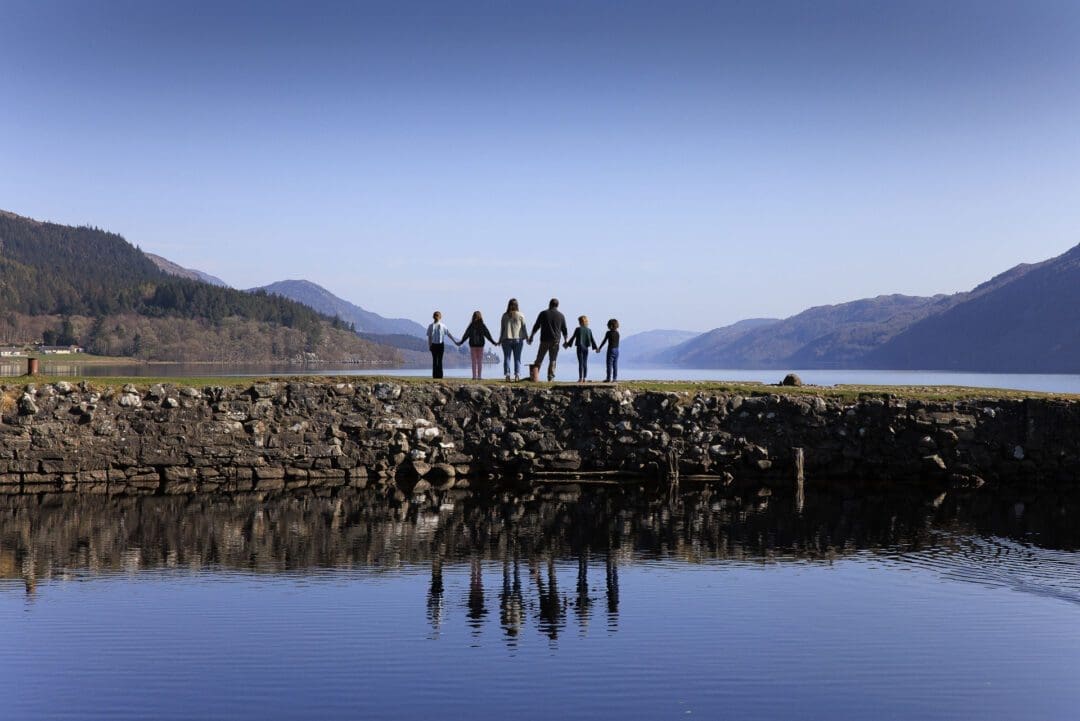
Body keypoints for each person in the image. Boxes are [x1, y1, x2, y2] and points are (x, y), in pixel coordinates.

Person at [528, 298, 568, 381]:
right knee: (553, 359)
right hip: (555, 340)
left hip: (544, 339)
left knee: (539, 358)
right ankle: (551, 377)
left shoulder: (543, 313)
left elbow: (536, 326)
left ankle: (535, 376)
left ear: (549, 304)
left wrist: (532, 336)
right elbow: (564, 329)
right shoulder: (561, 315)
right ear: (557, 305)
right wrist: (566, 340)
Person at [456, 310, 497, 380]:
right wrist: (493, 342)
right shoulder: (482, 325)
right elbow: (487, 335)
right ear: (481, 317)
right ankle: (479, 376)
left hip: (473, 345)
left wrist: (461, 342)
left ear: (473, 317)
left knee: (474, 361)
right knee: (480, 361)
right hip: (480, 345)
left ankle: (474, 376)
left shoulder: (471, 326)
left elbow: (466, 335)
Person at [497, 298, 529, 381]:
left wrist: (500, 340)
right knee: (517, 358)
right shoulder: (521, 315)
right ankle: (517, 375)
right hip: (518, 339)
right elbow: (524, 328)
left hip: (506, 339)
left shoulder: (504, 315)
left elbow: (502, 329)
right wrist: (527, 337)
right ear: (517, 305)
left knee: (507, 358)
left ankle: (507, 375)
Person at [564, 315, 599, 382]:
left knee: (580, 363)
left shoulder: (578, 329)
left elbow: (573, 337)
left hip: (579, 347)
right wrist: (596, 348)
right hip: (586, 348)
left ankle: (580, 378)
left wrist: (567, 344)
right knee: (585, 362)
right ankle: (584, 378)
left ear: (580, 322)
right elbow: (592, 339)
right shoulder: (589, 330)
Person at [426, 311, 457, 379]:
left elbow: (429, 337)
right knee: (439, 360)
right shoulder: (440, 326)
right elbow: (448, 334)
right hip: (438, 345)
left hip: (435, 345)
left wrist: (429, 345)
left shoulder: (434, 326)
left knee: (435, 360)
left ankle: (435, 376)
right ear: (440, 317)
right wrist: (454, 341)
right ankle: (439, 376)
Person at [597, 318, 620, 382]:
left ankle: (608, 378)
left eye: (608, 325)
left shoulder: (608, 333)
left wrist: (599, 348)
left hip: (611, 350)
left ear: (611, 326)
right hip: (617, 350)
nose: (607, 326)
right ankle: (614, 379)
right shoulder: (617, 333)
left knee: (609, 365)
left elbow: (604, 341)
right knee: (615, 365)